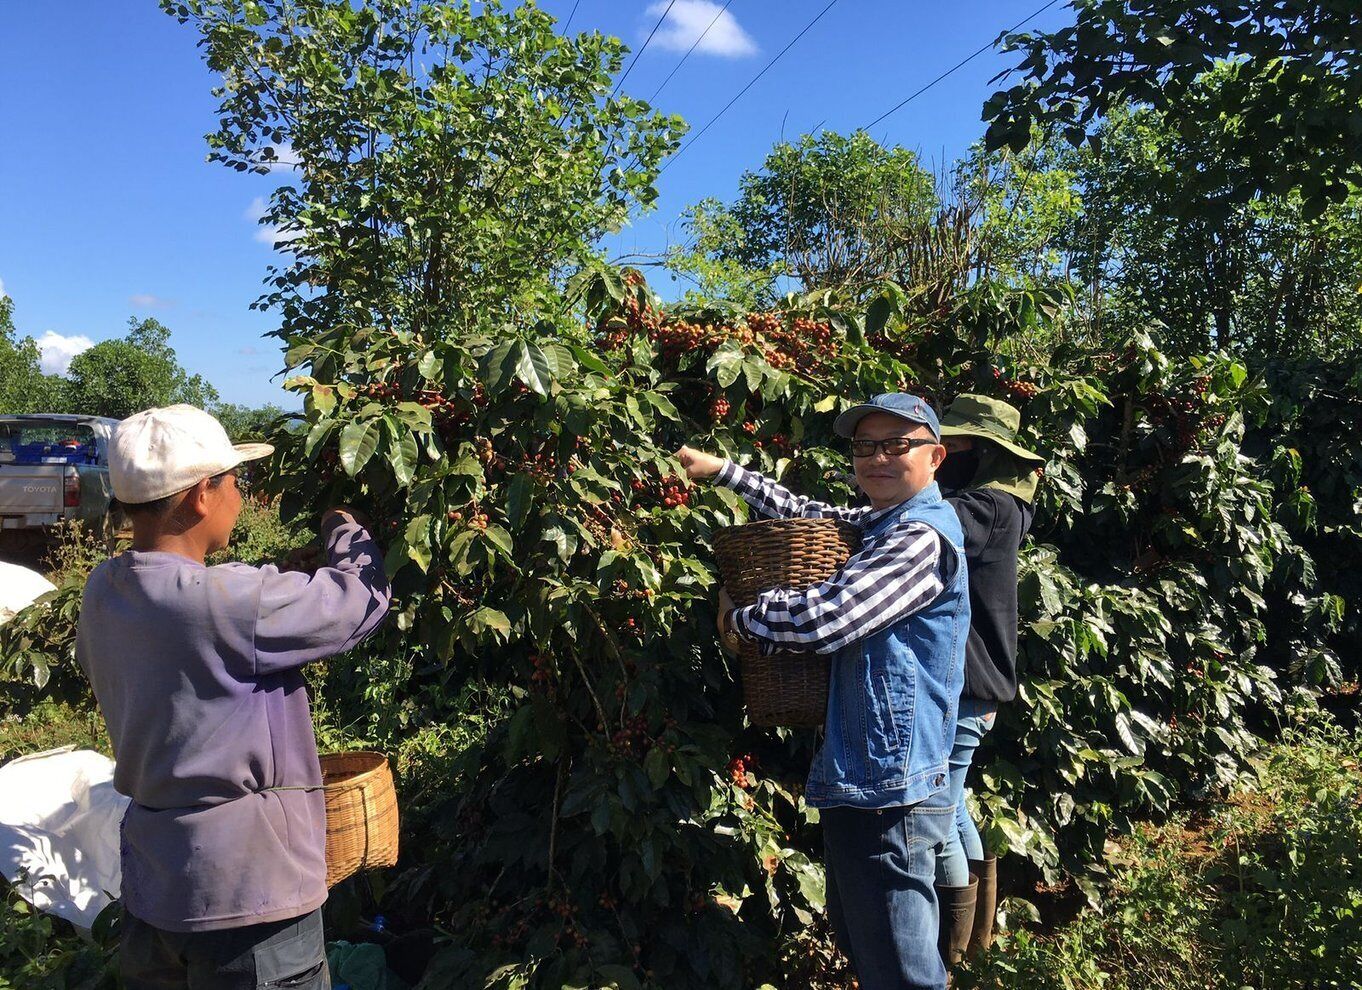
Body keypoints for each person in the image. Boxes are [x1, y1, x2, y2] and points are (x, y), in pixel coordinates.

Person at [75, 404, 391, 990]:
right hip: (249, 897)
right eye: (235, 481)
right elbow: (356, 602)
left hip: (155, 887)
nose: (240, 496)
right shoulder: (228, 601)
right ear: (202, 494)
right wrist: (344, 525)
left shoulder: (102, 591)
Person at [679, 392, 970, 990]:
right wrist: (726, 473)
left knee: (901, 965)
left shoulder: (918, 537)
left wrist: (740, 623)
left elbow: (828, 618)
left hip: (892, 785)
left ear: (935, 456)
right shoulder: (883, 520)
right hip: (866, 773)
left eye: (897, 445)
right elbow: (812, 517)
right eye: (865, 447)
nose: (877, 458)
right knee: (870, 940)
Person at [931, 394, 1045, 964]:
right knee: (953, 808)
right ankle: (977, 945)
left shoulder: (985, 509)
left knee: (936, 818)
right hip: (978, 685)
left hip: (966, 684)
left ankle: (948, 957)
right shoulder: (1002, 507)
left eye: (954, 445)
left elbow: (918, 525)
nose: (942, 453)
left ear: (986, 453)